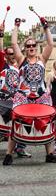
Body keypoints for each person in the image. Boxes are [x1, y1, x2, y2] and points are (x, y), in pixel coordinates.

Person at [3, 17, 56, 165]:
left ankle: (50, 154)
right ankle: (9, 154)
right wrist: (16, 26)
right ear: (25, 49)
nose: (31, 47)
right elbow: (14, 43)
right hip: (24, 96)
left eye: (33, 45)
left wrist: (46, 27)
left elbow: (50, 43)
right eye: (28, 46)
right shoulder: (21, 59)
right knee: (16, 121)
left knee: (47, 120)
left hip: (41, 96)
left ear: (36, 46)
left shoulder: (42, 58)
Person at [0, 22, 31, 158]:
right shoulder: (3, 65)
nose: (12, 55)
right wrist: (1, 34)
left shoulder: (20, 66)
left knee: (20, 126)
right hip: (3, 100)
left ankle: (20, 148)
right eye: (9, 53)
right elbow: (1, 48)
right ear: (5, 55)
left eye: (13, 53)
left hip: (17, 101)